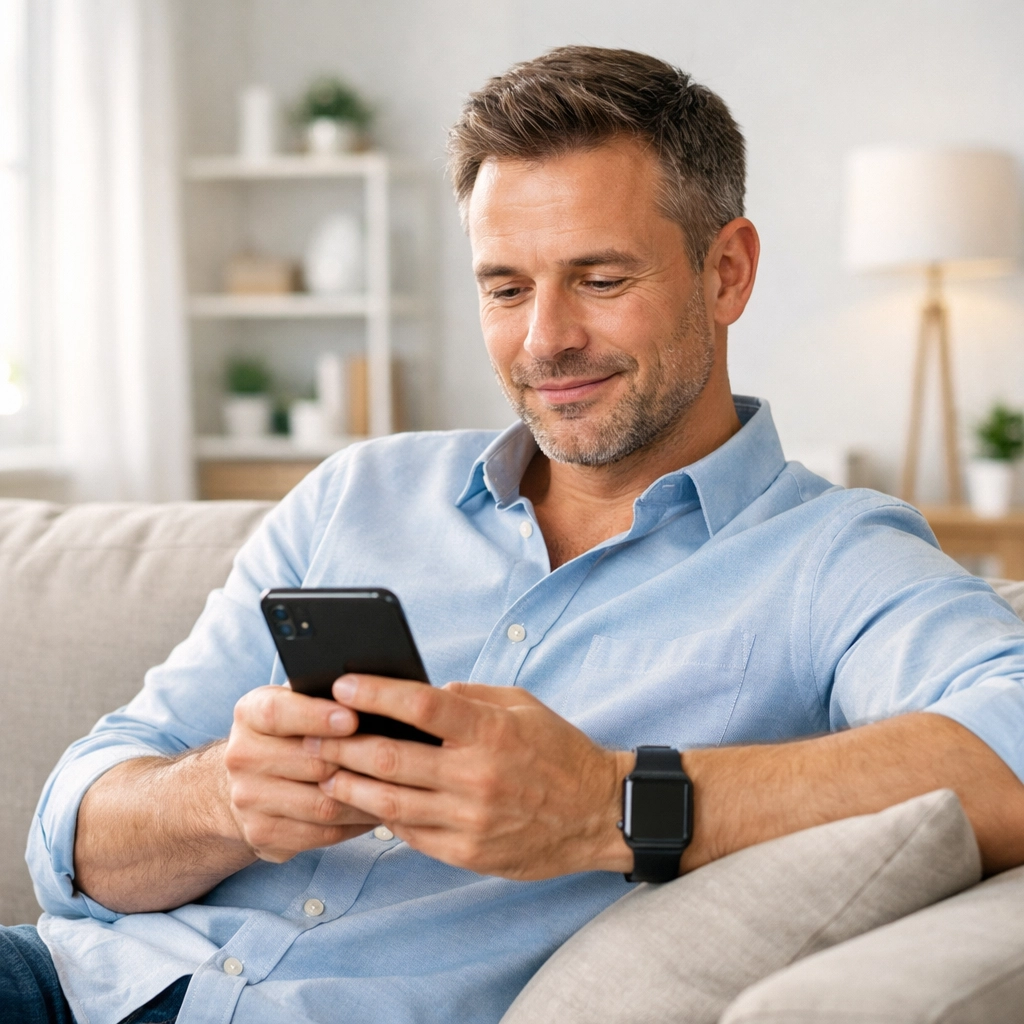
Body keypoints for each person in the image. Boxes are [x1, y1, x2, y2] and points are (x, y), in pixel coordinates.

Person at [6, 45, 1024, 1024]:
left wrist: (609, 802)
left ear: (726, 273)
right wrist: (224, 797)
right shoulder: (359, 491)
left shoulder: (829, 556)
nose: (544, 339)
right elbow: (72, 832)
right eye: (504, 287)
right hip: (69, 981)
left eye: (600, 279)